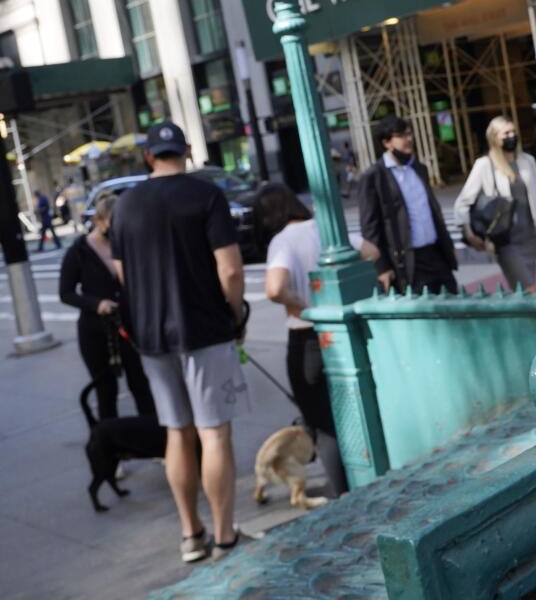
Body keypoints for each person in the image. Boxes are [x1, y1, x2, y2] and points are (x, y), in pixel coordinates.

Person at [110, 121, 248, 564]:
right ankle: (225, 535)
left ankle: (191, 533)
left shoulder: (124, 205)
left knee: (177, 432)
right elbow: (230, 269)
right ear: (185, 152)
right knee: (215, 433)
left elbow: (123, 276)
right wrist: (235, 312)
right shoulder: (206, 196)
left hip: (152, 336)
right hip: (205, 328)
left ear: (149, 156)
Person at [252, 183, 379, 498]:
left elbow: (273, 288)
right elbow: (371, 252)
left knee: (325, 427)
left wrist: (303, 304)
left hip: (306, 339)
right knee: (356, 411)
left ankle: (345, 497)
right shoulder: (325, 229)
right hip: (342, 331)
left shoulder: (281, 241)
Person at [454, 116, 536, 291]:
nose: (512, 136)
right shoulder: (484, 165)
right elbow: (462, 202)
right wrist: (469, 233)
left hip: (529, 237)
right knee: (529, 289)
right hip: (505, 241)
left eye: (513, 132)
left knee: (523, 291)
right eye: (506, 133)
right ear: (494, 138)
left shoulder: (527, 161)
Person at [59, 193, 156, 420]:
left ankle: (154, 440)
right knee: (106, 389)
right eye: (113, 224)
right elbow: (66, 293)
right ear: (99, 221)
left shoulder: (126, 245)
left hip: (127, 324)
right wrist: (96, 303)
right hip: (95, 329)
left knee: (140, 383)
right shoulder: (79, 251)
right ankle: (112, 447)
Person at [359, 116, 458, 294]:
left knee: (454, 303)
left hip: (436, 253)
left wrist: (448, 246)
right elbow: (370, 228)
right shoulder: (375, 177)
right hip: (408, 260)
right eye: (401, 136)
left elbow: (434, 212)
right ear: (387, 142)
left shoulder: (419, 169)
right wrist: (381, 267)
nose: (409, 139)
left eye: (409, 134)